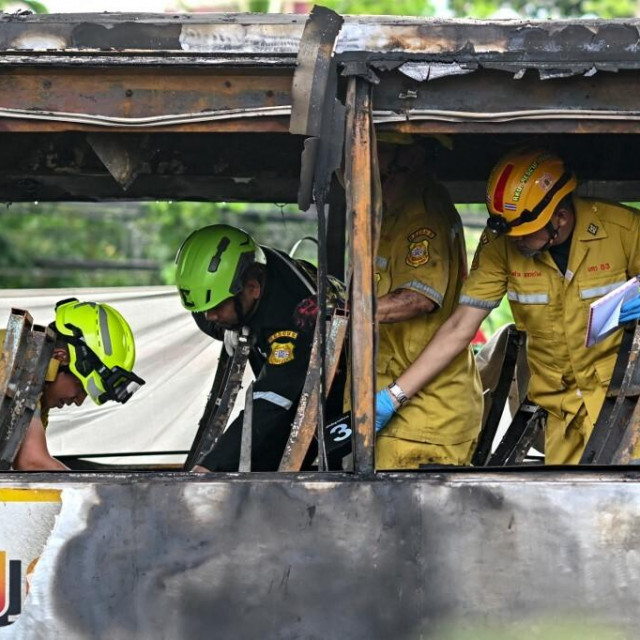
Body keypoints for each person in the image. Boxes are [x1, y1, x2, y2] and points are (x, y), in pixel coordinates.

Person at [376, 146, 640, 465]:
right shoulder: (499, 246)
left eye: (525, 234)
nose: (516, 242)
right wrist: (394, 396)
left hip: (626, 404)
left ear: (560, 216)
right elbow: (460, 327)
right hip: (561, 411)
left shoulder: (624, 231)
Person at [175, 224, 345, 472]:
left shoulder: (293, 319)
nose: (209, 316)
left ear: (253, 289)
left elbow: (270, 404)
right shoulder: (243, 270)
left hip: (343, 393)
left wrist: (209, 468)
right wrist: (226, 329)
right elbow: (204, 313)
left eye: (218, 307)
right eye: (203, 308)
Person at [371, 140, 483, 469]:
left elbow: (418, 298)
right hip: (400, 404)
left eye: (381, 147)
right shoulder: (394, 210)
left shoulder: (422, 214)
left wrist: (345, 316)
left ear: (412, 156)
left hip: (423, 416)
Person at [1, 298, 144, 471]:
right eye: (81, 388)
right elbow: (32, 462)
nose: (77, 401)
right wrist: (92, 493)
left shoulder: (34, 394)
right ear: (60, 357)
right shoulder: (19, 367)